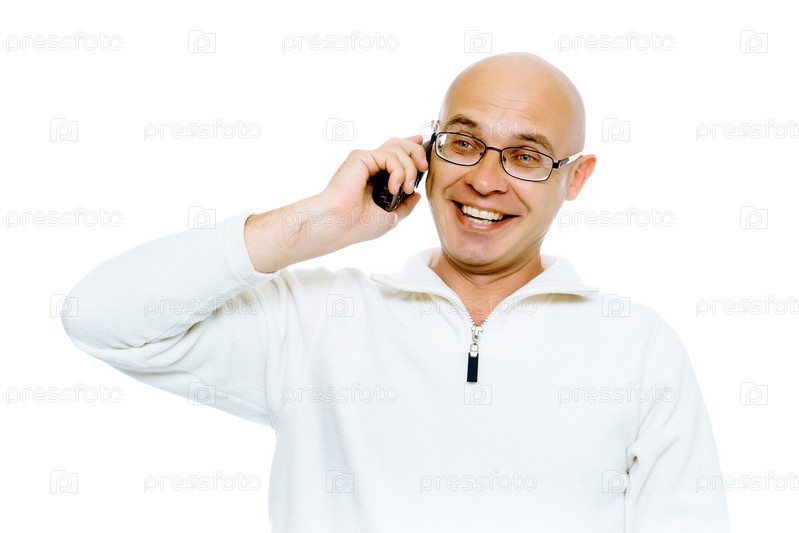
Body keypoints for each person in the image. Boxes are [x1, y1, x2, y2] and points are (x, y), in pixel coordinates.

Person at [62, 52, 731, 532]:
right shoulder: (317, 319)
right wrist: (317, 223)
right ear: (426, 151)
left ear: (575, 177)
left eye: (526, 156)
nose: (485, 180)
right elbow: (100, 317)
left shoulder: (637, 345)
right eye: (463, 142)